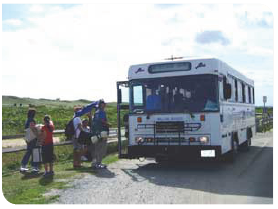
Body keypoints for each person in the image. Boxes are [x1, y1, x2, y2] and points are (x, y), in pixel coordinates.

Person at [20, 108, 40, 173]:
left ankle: (23, 166)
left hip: (28, 139)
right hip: (33, 139)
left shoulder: (27, 120)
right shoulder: (32, 120)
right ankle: (35, 167)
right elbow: (33, 129)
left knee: (28, 152)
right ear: (33, 114)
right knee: (35, 152)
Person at [91, 100, 109, 169]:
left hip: (96, 132)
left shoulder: (96, 112)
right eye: (103, 104)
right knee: (101, 147)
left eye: (104, 104)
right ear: (100, 105)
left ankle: (96, 162)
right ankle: (97, 163)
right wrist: (108, 124)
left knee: (97, 147)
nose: (104, 105)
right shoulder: (101, 112)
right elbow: (102, 121)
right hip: (102, 132)